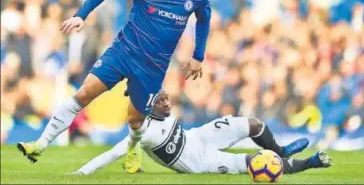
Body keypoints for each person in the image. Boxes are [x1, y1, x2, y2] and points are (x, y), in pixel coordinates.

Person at [17, 0, 211, 174]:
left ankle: (133, 145)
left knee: (135, 120)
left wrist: (198, 56)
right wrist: (81, 15)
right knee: (84, 93)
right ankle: (40, 145)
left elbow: (204, 19)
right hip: (123, 52)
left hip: (153, 68)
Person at [72, 90, 331, 175]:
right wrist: (81, 173)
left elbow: (147, 79)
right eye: (162, 101)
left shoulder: (157, 106)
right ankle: (311, 162)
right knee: (255, 164)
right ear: (151, 107)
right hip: (198, 162)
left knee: (252, 124)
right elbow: (112, 153)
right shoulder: (145, 132)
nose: (167, 102)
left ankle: (281, 149)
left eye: (166, 98)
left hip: (198, 136)